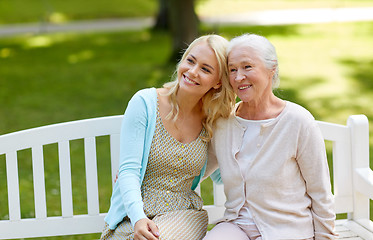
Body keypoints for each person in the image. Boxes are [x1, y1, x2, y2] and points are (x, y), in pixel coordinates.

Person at [100, 34, 235, 240]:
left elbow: (225, 172)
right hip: (132, 215)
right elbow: (129, 171)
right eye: (190, 61)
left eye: (205, 69)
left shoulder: (214, 120)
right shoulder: (145, 102)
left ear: (218, 82)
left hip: (183, 215)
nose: (192, 72)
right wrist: (138, 219)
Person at [203, 33, 337, 240]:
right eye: (232, 69)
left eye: (247, 67)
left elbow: (320, 192)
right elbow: (197, 169)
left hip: (287, 231)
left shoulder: (298, 121)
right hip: (236, 227)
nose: (239, 77)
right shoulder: (223, 123)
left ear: (271, 68)